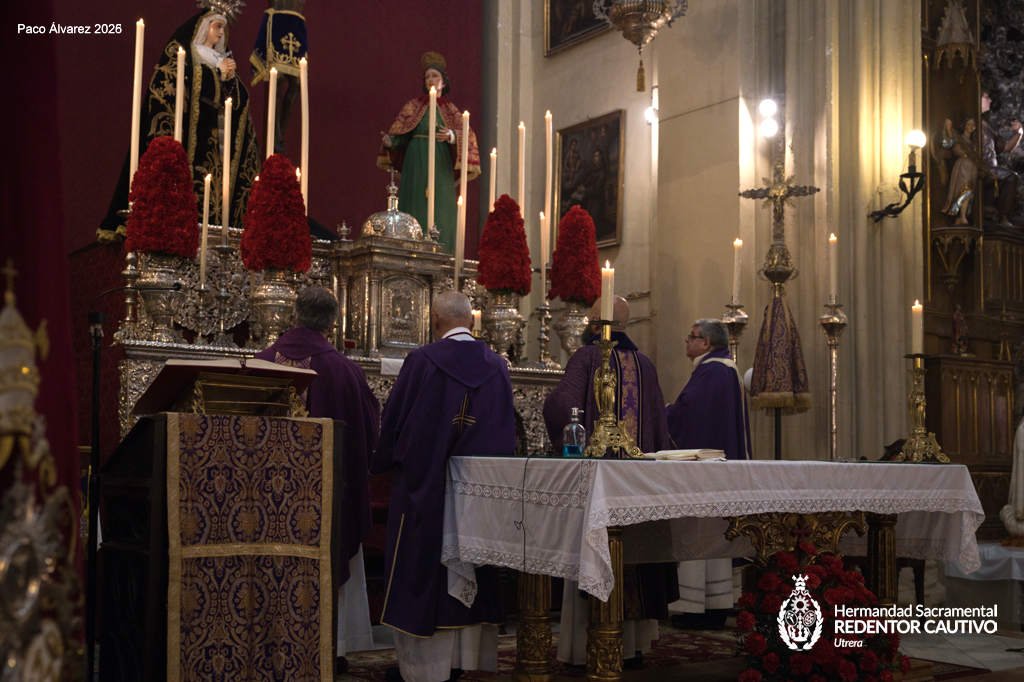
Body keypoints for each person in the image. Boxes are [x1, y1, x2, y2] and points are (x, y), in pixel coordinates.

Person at [371, 291, 516, 682]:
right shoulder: (497, 366)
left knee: (422, 572)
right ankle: (461, 661)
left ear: (435, 319)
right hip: (477, 494)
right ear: (472, 320)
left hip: (427, 490)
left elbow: (396, 421)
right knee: (471, 567)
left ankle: (422, 669)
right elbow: (507, 433)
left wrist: (382, 462)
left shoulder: (423, 361)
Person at [542, 295, 677, 668]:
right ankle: (633, 646)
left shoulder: (587, 357)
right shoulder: (644, 364)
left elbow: (562, 406)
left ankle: (587, 647)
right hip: (639, 482)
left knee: (600, 550)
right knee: (635, 555)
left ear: (592, 321)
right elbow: (660, 425)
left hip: (599, 481)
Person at [255, 286, 380, 673]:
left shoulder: (261, 363)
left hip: (267, 497)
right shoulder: (346, 372)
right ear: (332, 322)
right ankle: (333, 646)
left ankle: (268, 642)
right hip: (328, 499)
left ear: (294, 313)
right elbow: (368, 434)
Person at [98, 3, 261, 240]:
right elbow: (179, 88)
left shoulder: (222, 59)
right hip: (186, 143)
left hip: (215, 148)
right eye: (217, 26)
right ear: (204, 27)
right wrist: (217, 75)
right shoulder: (183, 56)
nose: (221, 33)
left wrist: (228, 80)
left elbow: (237, 100)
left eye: (223, 29)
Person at [666, 319, 752, 629]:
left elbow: (689, 413)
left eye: (692, 337)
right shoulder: (722, 369)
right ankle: (717, 603)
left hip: (704, 472)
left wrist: (662, 413)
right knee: (716, 536)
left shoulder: (713, 371)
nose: (687, 342)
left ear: (706, 343)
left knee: (701, 532)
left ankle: (696, 607)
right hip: (719, 471)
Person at [377, 52, 481, 253]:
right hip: (415, 164)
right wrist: (391, 142)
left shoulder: (450, 110)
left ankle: (443, 254)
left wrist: (452, 136)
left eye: (435, 76)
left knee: (441, 209)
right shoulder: (413, 106)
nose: (431, 80)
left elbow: (468, 135)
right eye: (427, 77)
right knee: (413, 206)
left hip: (440, 164)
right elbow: (402, 132)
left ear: (443, 82)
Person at [250, 0, 307, 154]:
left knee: (296, 85)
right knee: (278, 81)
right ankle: (275, 137)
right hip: (277, 20)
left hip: (296, 22)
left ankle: (280, 133)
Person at [980, 90, 1023, 226]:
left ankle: (1002, 216)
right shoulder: (973, 123)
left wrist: (1019, 133)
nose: (990, 100)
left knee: (1011, 176)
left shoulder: (986, 125)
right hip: (982, 167)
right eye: (986, 97)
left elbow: (1006, 147)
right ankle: (1003, 217)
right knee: (1011, 177)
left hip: (991, 168)